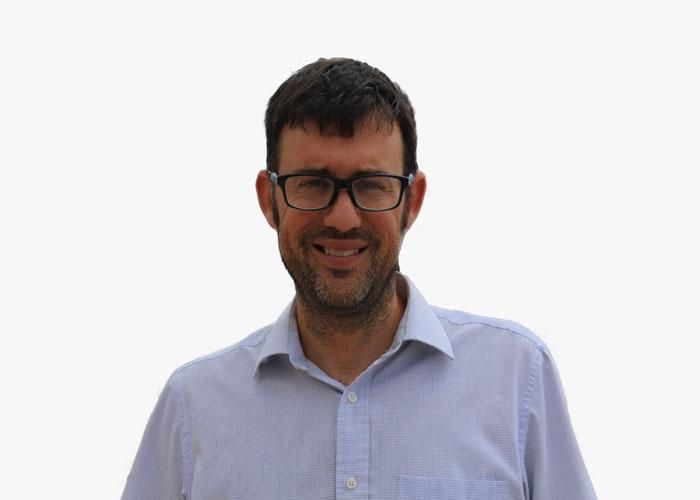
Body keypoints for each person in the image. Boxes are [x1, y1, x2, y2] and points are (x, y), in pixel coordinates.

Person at [121, 57, 596, 500]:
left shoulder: (515, 379)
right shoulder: (194, 407)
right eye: (313, 183)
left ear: (413, 201)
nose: (344, 218)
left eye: (372, 185)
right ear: (269, 200)